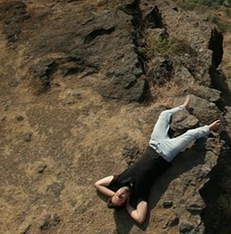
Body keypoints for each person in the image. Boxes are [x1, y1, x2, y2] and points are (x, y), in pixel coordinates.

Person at [94, 96, 221, 224]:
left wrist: (112, 195)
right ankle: (209, 128)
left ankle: (183, 108)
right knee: (190, 135)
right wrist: (127, 206)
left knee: (164, 114)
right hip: (166, 153)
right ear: (126, 200)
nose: (120, 194)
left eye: (117, 195)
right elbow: (140, 218)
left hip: (154, 143)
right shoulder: (140, 195)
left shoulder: (120, 179)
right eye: (121, 198)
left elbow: (98, 184)